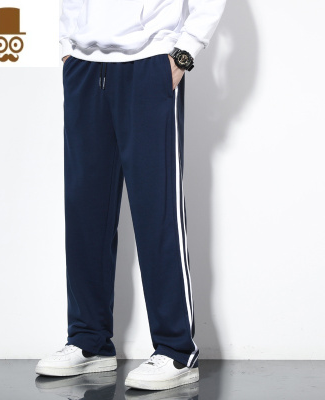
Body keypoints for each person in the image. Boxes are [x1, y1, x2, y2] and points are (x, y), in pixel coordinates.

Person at [36, 0, 227, 391]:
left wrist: (184, 52)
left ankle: (176, 349)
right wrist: (68, 44)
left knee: (157, 209)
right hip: (85, 65)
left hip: (150, 63)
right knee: (85, 210)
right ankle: (89, 341)